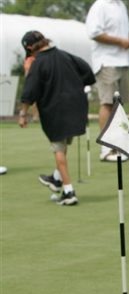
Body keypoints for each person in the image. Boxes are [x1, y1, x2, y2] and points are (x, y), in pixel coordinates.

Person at [18, 31, 95, 206]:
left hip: (57, 111)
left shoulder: (38, 63)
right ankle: (56, 178)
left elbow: (29, 91)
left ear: (30, 48)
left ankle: (69, 191)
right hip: (77, 108)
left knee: (58, 149)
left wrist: (23, 114)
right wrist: (74, 85)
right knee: (63, 145)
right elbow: (88, 74)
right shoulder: (66, 55)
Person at [86, 0, 129, 162]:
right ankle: (106, 149)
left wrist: (127, 40)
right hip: (106, 61)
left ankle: (118, 146)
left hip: (123, 60)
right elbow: (94, 33)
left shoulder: (121, 6)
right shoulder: (100, 6)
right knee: (107, 103)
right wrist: (120, 41)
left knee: (119, 105)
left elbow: (119, 33)